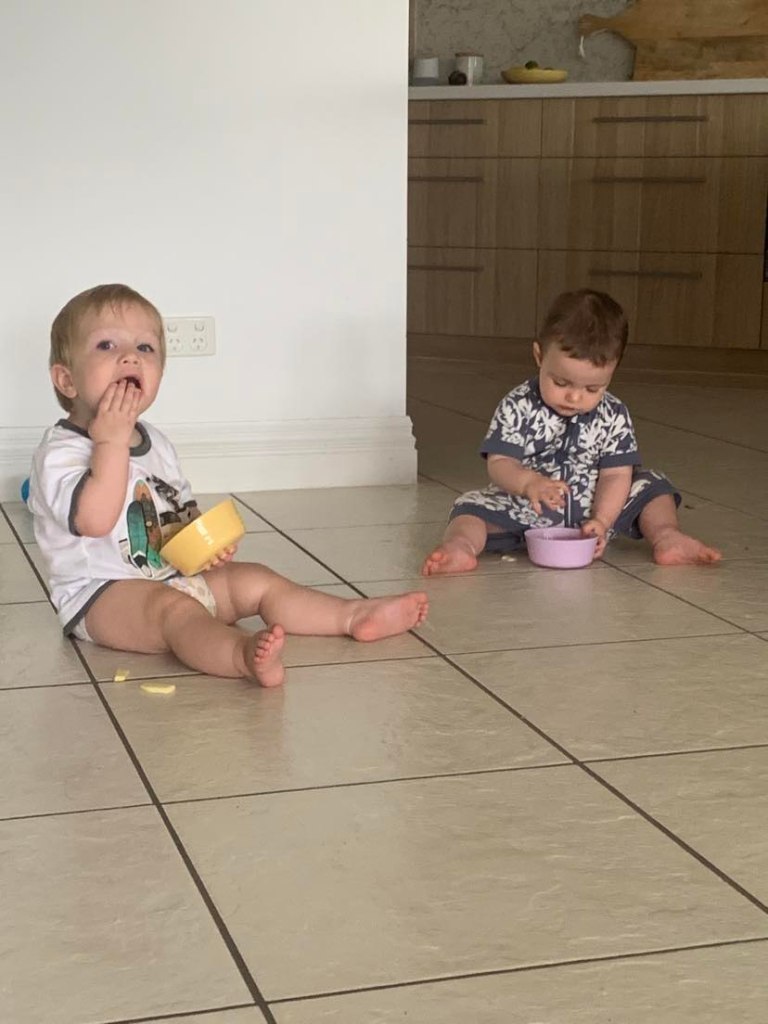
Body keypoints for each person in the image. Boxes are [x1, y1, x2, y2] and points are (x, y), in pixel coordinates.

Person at [29, 283, 428, 687]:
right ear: (67, 380)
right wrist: (110, 443)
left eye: (145, 347)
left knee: (255, 580)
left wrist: (204, 547)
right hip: (101, 596)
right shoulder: (60, 453)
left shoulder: (156, 443)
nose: (131, 356)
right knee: (175, 612)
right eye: (107, 345)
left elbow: (178, 512)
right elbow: (94, 520)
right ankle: (239, 655)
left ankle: (351, 616)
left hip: (172, 575)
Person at [422, 289, 721, 576]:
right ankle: (460, 547)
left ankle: (667, 537)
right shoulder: (518, 405)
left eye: (592, 388)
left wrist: (602, 520)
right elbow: (500, 463)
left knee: (654, 486)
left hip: (595, 507)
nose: (574, 397)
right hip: (526, 507)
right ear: (539, 356)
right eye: (561, 383)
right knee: (469, 508)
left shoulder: (614, 413)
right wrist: (528, 483)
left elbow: (616, 475)